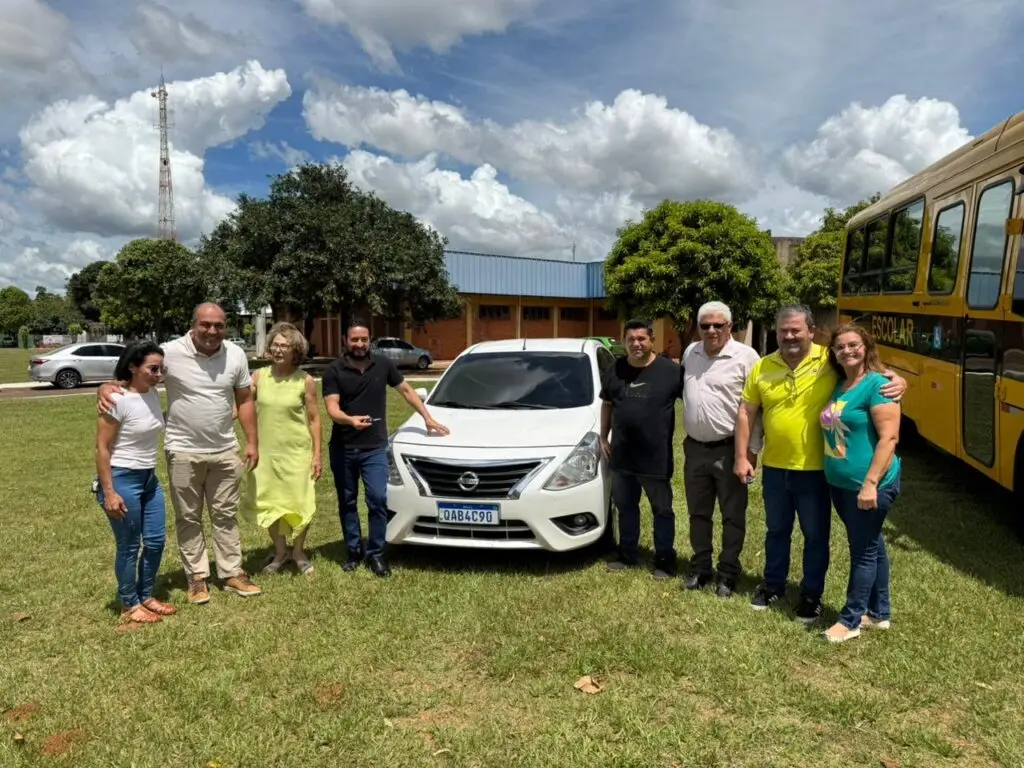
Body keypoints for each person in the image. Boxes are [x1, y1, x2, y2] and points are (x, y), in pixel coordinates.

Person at [734, 305, 905, 621]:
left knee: (815, 537)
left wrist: (898, 379)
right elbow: (747, 412)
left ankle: (811, 595)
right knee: (776, 531)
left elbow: (865, 373)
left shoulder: (830, 360)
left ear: (810, 330)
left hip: (816, 471)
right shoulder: (763, 365)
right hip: (774, 466)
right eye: (783, 330)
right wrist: (742, 457)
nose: (789, 336)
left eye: (796, 329)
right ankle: (773, 585)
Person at [98, 303, 262, 604]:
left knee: (225, 514)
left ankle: (231, 573)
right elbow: (139, 373)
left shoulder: (236, 354)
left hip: (226, 451)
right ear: (193, 324)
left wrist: (252, 441)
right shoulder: (171, 352)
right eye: (206, 325)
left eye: (219, 325)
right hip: (183, 451)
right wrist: (108, 386)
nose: (212, 331)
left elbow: (245, 399)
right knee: (188, 516)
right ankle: (197, 578)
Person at [323, 319, 450, 577]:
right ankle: (353, 550)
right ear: (345, 341)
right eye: (354, 339)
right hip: (343, 448)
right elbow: (332, 408)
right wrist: (349, 420)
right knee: (347, 501)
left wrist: (427, 417)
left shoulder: (382, 364)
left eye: (363, 339)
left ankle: (377, 553)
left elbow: (405, 390)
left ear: (369, 340)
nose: (359, 344)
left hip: (374, 447)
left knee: (378, 499)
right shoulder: (334, 370)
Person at [819, 324, 901, 643]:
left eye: (854, 345)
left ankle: (851, 619)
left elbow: (889, 438)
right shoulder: (842, 385)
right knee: (872, 543)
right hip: (841, 483)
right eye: (840, 347)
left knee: (863, 550)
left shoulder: (878, 386)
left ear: (866, 346)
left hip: (869, 486)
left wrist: (870, 483)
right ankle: (880, 613)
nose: (847, 351)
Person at [680, 302, 762, 599]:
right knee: (698, 513)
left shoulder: (747, 357)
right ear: (698, 327)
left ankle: (727, 572)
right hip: (695, 450)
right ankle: (701, 567)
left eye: (719, 325)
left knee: (732, 515)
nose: (712, 330)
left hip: (730, 450)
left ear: (730, 326)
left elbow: (756, 409)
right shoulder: (692, 353)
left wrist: (750, 451)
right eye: (705, 326)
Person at [95, 341, 174, 624]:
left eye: (161, 369)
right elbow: (101, 448)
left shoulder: (152, 394)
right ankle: (129, 603)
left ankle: (147, 595)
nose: (158, 374)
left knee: (155, 541)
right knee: (129, 545)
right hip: (122, 479)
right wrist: (109, 492)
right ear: (133, 367)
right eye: (153, 368)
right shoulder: (116, 399)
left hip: (149, 478)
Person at [599, 318, 683, 580]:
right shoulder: (616, 368)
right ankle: (627, 554)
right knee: (626, 507)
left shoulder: (670, 371)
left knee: (662, 510)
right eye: (630, 340)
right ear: (624, 342)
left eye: (641, 339)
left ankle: (664, 560)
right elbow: (607, 403)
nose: (636, 344)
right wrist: (603, 436)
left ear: (651, 341)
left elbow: (692, 403)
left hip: (655, 458)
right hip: (622, 455)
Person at [240, 322, 322, 575]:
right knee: (269, 501)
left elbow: (314, 419)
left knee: (299, 501)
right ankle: (279, 552)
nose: (278, 349)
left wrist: (317, 454)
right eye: (275, 344)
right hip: (265, 453)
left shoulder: (305, 381)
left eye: (284, 345)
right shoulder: (258, 377)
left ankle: (298, 552)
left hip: (297, 452)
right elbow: (242, 405)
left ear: (295, 350)